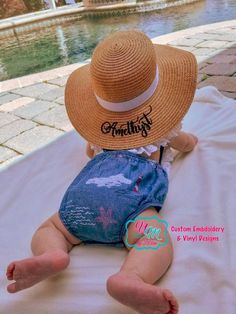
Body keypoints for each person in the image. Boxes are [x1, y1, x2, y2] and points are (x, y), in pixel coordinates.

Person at [6, 30, 198, 314]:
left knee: (54, 227)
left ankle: (52, 253)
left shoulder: (98, 137)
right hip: (130, 202)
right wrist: (184, 138)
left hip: (81, 201)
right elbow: (189, 144)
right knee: (153, 237)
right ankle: (131, 276)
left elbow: (88, 153)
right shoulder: (165, 132)